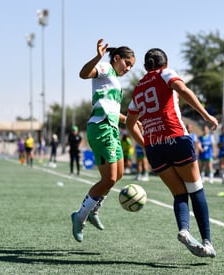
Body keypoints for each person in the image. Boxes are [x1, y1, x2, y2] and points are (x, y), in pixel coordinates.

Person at [126, 48, 217, 258]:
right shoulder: (166, 73)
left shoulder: (138, 88)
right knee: (196, 189)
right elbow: (182, 90)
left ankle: (185, 229)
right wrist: (205, 115)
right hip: (175, 137)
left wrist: (145, 144)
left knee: (179, 193)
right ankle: (207, 242)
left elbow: (131, 123)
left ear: (146, 66)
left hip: (154, 146)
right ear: (164, 64)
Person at [71, 38, 137, 242]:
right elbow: (83, 74)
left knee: (118, 175)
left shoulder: (116, 83)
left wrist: (131, 120)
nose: (128, 69)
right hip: (100, 128)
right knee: (108, 178)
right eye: (127, 64)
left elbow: (114, 111)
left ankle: (93, 210)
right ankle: (80, 216)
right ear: (116, 58)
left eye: (131, 67)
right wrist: (97, 57)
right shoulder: (105, 68)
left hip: (112, 129)